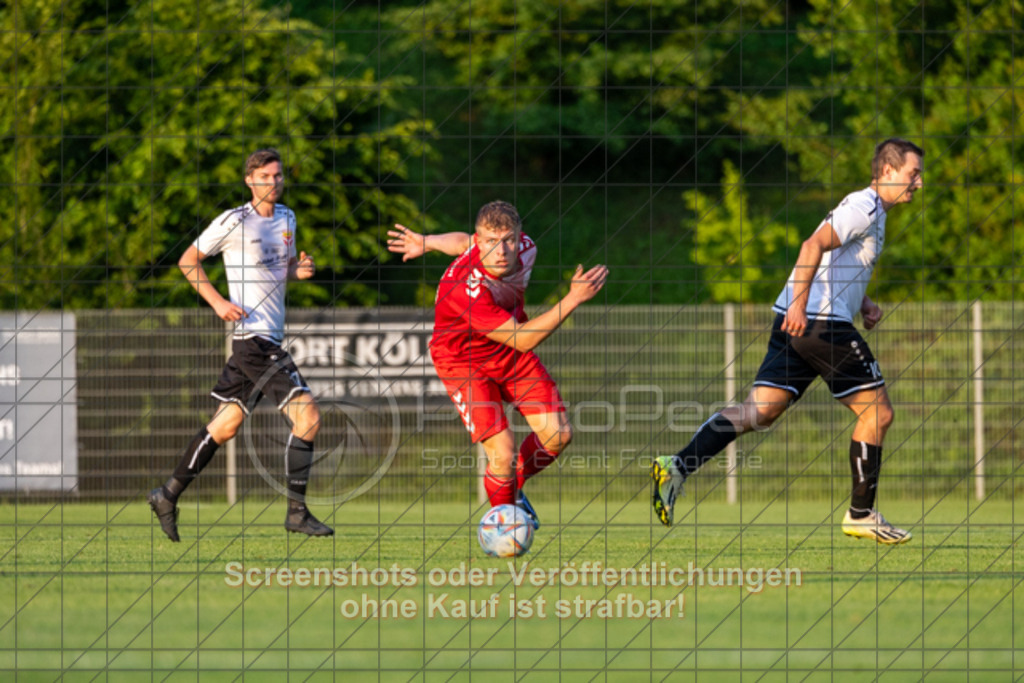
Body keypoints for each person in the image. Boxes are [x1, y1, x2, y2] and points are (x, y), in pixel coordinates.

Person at [652, 138, 925, 545]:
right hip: (819, 323)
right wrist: (801, 305)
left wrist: (863, 301)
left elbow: (835, 263)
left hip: (797, 320)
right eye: (913, 174)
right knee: (878, 414)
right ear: (887, 171)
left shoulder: (874, 213)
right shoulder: (865, 206)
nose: (918, 183)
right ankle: (861, 514)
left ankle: (676, 466)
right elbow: (811, 246)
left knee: (760, 412)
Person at [148, 148, 333, 542]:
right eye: (265, 176)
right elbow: (187, 261)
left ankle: (167, 495)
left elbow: (280, 271)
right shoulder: (234, 221)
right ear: (250, 180)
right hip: (254, 340)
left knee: (226, 425)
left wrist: (298, 271)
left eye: (278, 176)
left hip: (265, 338)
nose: (274, 182)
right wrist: (217, 302)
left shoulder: (287, 218)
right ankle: (297, 513)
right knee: (309, 418)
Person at [387, 201, 608, 526]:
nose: (501, 250)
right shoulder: (464, 289)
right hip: (463, 361)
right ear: (482, 241)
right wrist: (572, 298)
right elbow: (523, 339)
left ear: (520, 238)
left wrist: (429, 241)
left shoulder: (525, 249)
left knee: (557, 435)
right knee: (501, 453)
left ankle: (511, 486)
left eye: (508, 240)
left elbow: (462, 241)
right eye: (491, 241)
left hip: (508, 355)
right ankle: (504, 526)